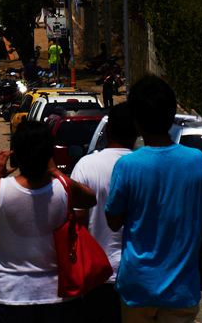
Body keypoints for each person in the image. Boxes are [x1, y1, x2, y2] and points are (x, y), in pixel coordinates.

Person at [106, 75, 202, 323]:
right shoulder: (197, 161)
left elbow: (113, 221)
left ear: (137, 121)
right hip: (181, 288)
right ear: (171, 116)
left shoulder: (127, 165)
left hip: (137, 286)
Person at [0, 120, 98, 323]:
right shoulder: (63, 188)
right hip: (59, 295)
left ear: (16, 155)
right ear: (49, 155)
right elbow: (90, 198)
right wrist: (57, 172)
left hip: (13, 295)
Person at [71, 103, 137, 323]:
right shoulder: (144, 167)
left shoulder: (86, 166)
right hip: (139, 276)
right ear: (137, 130)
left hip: (98, 276)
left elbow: (78, 221)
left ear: (107, 129)